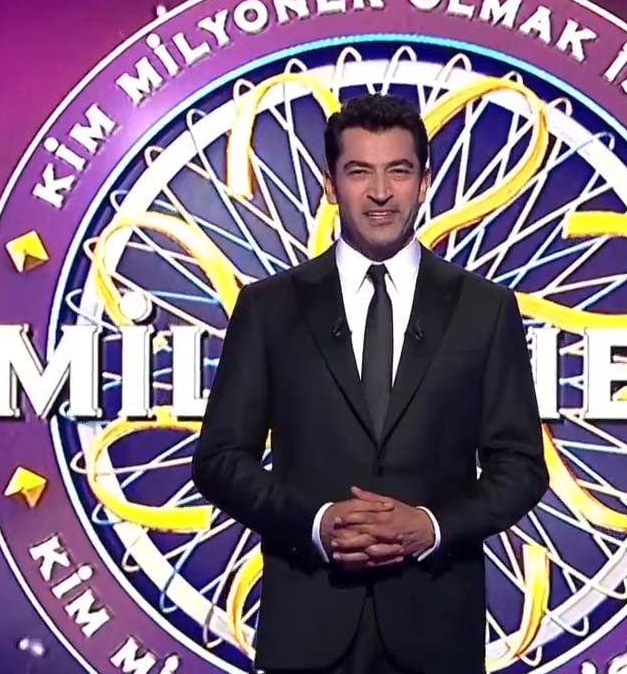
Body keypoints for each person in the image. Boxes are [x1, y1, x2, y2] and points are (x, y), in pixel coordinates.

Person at [192, 93, 548, 674]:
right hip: (306, 631)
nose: (380, 192)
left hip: (437, 635)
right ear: (330, 185)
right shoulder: (269, 309)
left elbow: (522, 467)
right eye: (359, 172)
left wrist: (432, 527)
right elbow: (220, 461)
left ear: (424, 183)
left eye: (398, 171)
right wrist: (316, 522)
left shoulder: (485, 309)